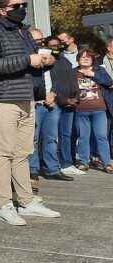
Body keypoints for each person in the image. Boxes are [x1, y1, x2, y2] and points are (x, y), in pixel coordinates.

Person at [0, 0, 61, 226]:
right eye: (16, 6)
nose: (22, 9)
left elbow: (29, 64)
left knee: (23, 153)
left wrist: (43, 62)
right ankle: (5, 203)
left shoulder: (23, 32)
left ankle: (26, 200)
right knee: (3, 153)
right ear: (3, 10)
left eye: (23, 4)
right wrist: (28, 60)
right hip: (3, 99)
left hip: (26, 98)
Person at [28, 29, 73, 182]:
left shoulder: (53, 55)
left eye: (42, 39)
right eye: (36, 39)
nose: (40, 41)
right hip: (35, 102)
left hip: (52, 102)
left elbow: (61, 77)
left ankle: (52, 168)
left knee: (51, 137)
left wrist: (53, 93)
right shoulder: (28, 56)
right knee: (33, 139)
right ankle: (32, 170)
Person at [73, 49, 113, 173]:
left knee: (101, 136)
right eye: (82, 57)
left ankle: (106, 163)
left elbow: (109, 83)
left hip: (99, 109)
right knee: (83, 137)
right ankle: (84, 162)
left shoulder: (99, 70)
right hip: (81, 110)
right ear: (78, 59)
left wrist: (93, 75)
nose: (85, 59)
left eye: (88, 57)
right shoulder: (73, 72)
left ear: (92, 60)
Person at [56, 32, 83, 172]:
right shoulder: (60, 57)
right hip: (63, 99)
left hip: (79, 98)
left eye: (62, 40)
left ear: (72, 39)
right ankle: (66, 161)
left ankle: (75, 157)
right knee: (64, 133)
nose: (61, 43)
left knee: (77, 131)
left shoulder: (83, 53)